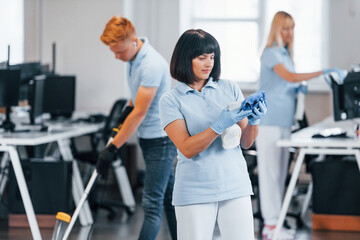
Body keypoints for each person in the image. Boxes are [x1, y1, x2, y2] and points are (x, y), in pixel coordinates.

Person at [159, 29, 267, 240]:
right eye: (202, 58)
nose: (209, 63)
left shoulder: (229, 88)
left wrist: (254, 122)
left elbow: (246, 143)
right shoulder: (170, 100)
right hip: (195, 191)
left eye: (212, 57)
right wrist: (218, 125)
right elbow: (187, 148)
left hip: (235, 186)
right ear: (185, 59)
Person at [256, 11, 346, 240]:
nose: (289, 33)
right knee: (270, 176)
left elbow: (288, 83)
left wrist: (297, 90)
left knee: (279, 176)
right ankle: (270, 226)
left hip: (284, 122)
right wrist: (322, 72)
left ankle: (277, 222)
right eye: (285, 28)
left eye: (292, 28)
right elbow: (290, 77)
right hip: (268, 122)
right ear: (277, 29)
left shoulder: (286, 54)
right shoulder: (271, 53)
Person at [97, 16, 177, 240]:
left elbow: (140, 112)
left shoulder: (151, 64)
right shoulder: (133, 59)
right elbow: (136, 99)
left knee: (152, 204)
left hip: (161, 141)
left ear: (133, 41)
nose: (116, 56)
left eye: (119, 52)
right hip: (150, 138)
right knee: (170, 199)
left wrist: (112, 148)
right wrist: (125, 110)